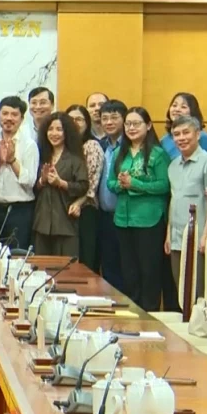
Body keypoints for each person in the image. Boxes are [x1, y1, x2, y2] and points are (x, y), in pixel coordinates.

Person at [108, 107, 170, 311]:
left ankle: (150, 313)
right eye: (128, 124)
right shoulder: (119, 152)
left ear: (148, 125)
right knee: (129, 271)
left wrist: (135, 184)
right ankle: (133, 313)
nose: (131, 128)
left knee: (149, 271)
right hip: (123, 219)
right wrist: (120, 184)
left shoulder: (158, 154)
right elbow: (110, 183)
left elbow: (164, 185)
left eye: (136, 123)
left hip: (148, 219)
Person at [167, 115, 207, 304]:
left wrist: (205, 236)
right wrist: (168, 234)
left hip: (198, 238)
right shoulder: (173, 165)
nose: (181, 138)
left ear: (198, 134)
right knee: (180, 291)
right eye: (176, 134)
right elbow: (173, 200)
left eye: (186, 132)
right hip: (176, 238)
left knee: (197, 293)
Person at [32, 112, 89, 256]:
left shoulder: (75, 158)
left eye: (59, 129)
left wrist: (61, 183)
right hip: (42, 222)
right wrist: (42, 181)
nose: (54, 133)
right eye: (50, 129)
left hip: (65, 223)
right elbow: (32, 188)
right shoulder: (41, 156)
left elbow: (83, 187)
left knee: (66, 267)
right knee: (41, 266)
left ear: (67, 132)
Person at [0, 96, 38, 250]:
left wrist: (12, 161)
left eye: (14, 114)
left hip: (20, 210)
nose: (9, 118)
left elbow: (30, 181)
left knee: (16, 255)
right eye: (5, 113)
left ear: (22, 118)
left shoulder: (29, 145)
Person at [66, 104, 106, 272]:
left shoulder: (91, 146)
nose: (75, 123)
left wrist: (78, 203)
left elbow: (92, 183)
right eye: (71, 119)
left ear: (87, 123)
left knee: (86, 260)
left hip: (86, 209)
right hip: (66, 209)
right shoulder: (64, 146)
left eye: (79, 119)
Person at [97, 99, 128, 290]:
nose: (109, 122)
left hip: (125, 215)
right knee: (108, 268)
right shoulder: (101, 146)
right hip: (104, 215)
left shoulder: (130, 147)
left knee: (126, 268)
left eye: (114, 117)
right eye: (105, 118)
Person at [160, 92, 207, 160]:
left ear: (192, 111)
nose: (177, 109)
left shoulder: (202, 136)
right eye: (174, 105)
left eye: (183, 107)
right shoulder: (164, 140)